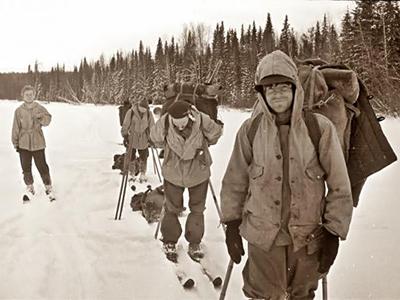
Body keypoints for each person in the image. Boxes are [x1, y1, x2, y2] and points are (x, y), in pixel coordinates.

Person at [220, 50, 353, 299]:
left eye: (284, 86)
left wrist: (333, 233)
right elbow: (235, 181)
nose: (278, 93)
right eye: (270, 88)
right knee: (261, 294)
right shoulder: (250, 130)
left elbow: (339, 185)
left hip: (306, 238)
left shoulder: (319, 128)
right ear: (262, 94)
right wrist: (231, 224)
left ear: (295, 89)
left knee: (301, 295)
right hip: (262, 238)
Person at [150, 100, 223, 261]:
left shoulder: (201, 119)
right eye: (176, 124)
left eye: (183, 123)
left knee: (197, 209)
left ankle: (194, 242)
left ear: (189, 115)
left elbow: (215, 134)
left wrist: (207, 138)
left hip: (198, 173)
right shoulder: (166, 121)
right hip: (173, 173)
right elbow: (155, 138)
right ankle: (169, 240)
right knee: (171, 208)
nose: (180, 127)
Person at [12, 85, 55, 202]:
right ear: (23, 96)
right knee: (26, 167)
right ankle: (30, 187)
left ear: (34, 95)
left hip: (38, 142)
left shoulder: (39, 107)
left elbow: (48, 120)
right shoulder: (19, 111)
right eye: (27, 94)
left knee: (42, 166)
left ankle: (48, 187)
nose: (29, 96)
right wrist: (15, 143)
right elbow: (15, 128)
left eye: (31, 94)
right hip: (23, 143)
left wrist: (42, 118)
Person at [121, 98, 155, 182]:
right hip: (132, 137)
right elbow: (125, 124)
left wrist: (152, 138)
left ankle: (143, 173)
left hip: (144, 137)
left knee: (144, 156)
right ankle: (132, 173)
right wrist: (125, 135)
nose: (143, 110)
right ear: (138, 106)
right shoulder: (131, 112)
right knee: (131, 156)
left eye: (145, 109)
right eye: (142, 108)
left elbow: (152, 126)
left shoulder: (149, 114)